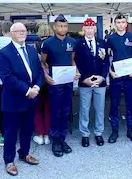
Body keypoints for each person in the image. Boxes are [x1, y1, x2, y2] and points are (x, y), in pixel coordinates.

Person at [0, 22, 44, 176]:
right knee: (10, 132)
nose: (22, 33)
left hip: (31, 99)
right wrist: (27, 90)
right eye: (18, 31)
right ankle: (9, 161)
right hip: (14, 100)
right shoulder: (4, 53)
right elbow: (7, 77)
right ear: (11, 34)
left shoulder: (31, 50)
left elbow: (39, 72)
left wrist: (37, 87)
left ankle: (25, 153)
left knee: (27, 129)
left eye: (24, 31)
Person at [40, 14, 80, 157]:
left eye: (65, 26)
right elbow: (43, 62)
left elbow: (72, 60)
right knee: (56, 111)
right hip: (55, 83)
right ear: (54, 27)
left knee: (66, 110)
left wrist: (76, 71)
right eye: (60, 26)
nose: (63, 28)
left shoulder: (72, 42)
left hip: (68, 81)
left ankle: (63, 138)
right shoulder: (48, 43)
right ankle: (55, 140)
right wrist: (46, 75)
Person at [75, 18, 109, 147]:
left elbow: (106, 62)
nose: (89, 30)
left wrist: (102, 77)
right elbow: (76, 62)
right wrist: (84, 78)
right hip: (85, 81)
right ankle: (85, 134)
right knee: (84, 109)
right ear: (83, 29)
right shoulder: (78, 44)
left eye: (91, 28)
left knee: (100, 109)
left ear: (95, 29)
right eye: (87, 28)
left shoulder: (102, 43)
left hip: (100, 81)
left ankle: (98, 133)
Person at [107, 13, 132, 144]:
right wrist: (110, 72)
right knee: (114, 103)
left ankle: (130, 130)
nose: (121, 24)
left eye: (123, 22)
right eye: (118, 22)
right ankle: (114, 130)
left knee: (130, 103)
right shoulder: (110, 38)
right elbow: (105, 57)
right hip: (116, 75)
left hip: (129, 75)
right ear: (115, 24)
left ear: (126, 24)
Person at [32, 24, 54, 145]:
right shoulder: (53, 45)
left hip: (39, 81)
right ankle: (47, 135)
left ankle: (40, 134)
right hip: (53, 80)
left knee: (38, 109)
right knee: (48, 108)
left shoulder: (35, 46)